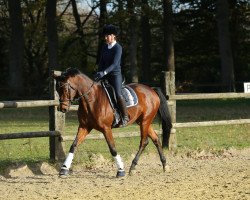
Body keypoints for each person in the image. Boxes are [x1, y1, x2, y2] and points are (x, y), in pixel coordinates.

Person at [94, 24, 129, 127]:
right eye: (105, 36)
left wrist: (104, 72)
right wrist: (98, 73)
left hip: (115, 75)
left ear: (113, 36)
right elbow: (101, 62)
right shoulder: (104, 47)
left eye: (107, 36)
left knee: (118, 94)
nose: (105, 38)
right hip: (104, 74)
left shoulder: (118, 48)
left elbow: (114, 64)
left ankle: (125, 116)